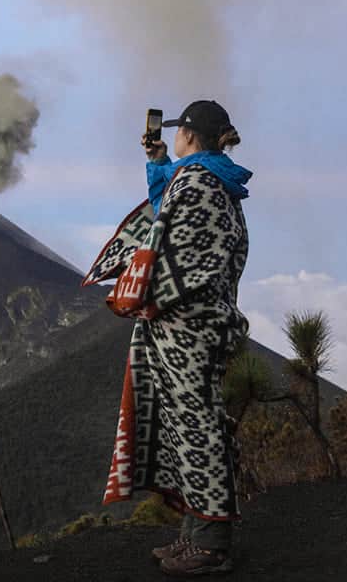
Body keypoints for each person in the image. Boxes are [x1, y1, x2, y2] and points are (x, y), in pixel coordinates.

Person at [84, 100, 253, 577]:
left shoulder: (199, 183)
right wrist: (158, 163)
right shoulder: (213, 181)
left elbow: (176, 249)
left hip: (187, 322)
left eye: (177, 135)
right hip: (194, 321)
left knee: (197, 427)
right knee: (185, 427)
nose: (173, 140)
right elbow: (170, 219)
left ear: (190, 136)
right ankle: (195, 534)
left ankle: (212, 543)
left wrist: (143, 295)